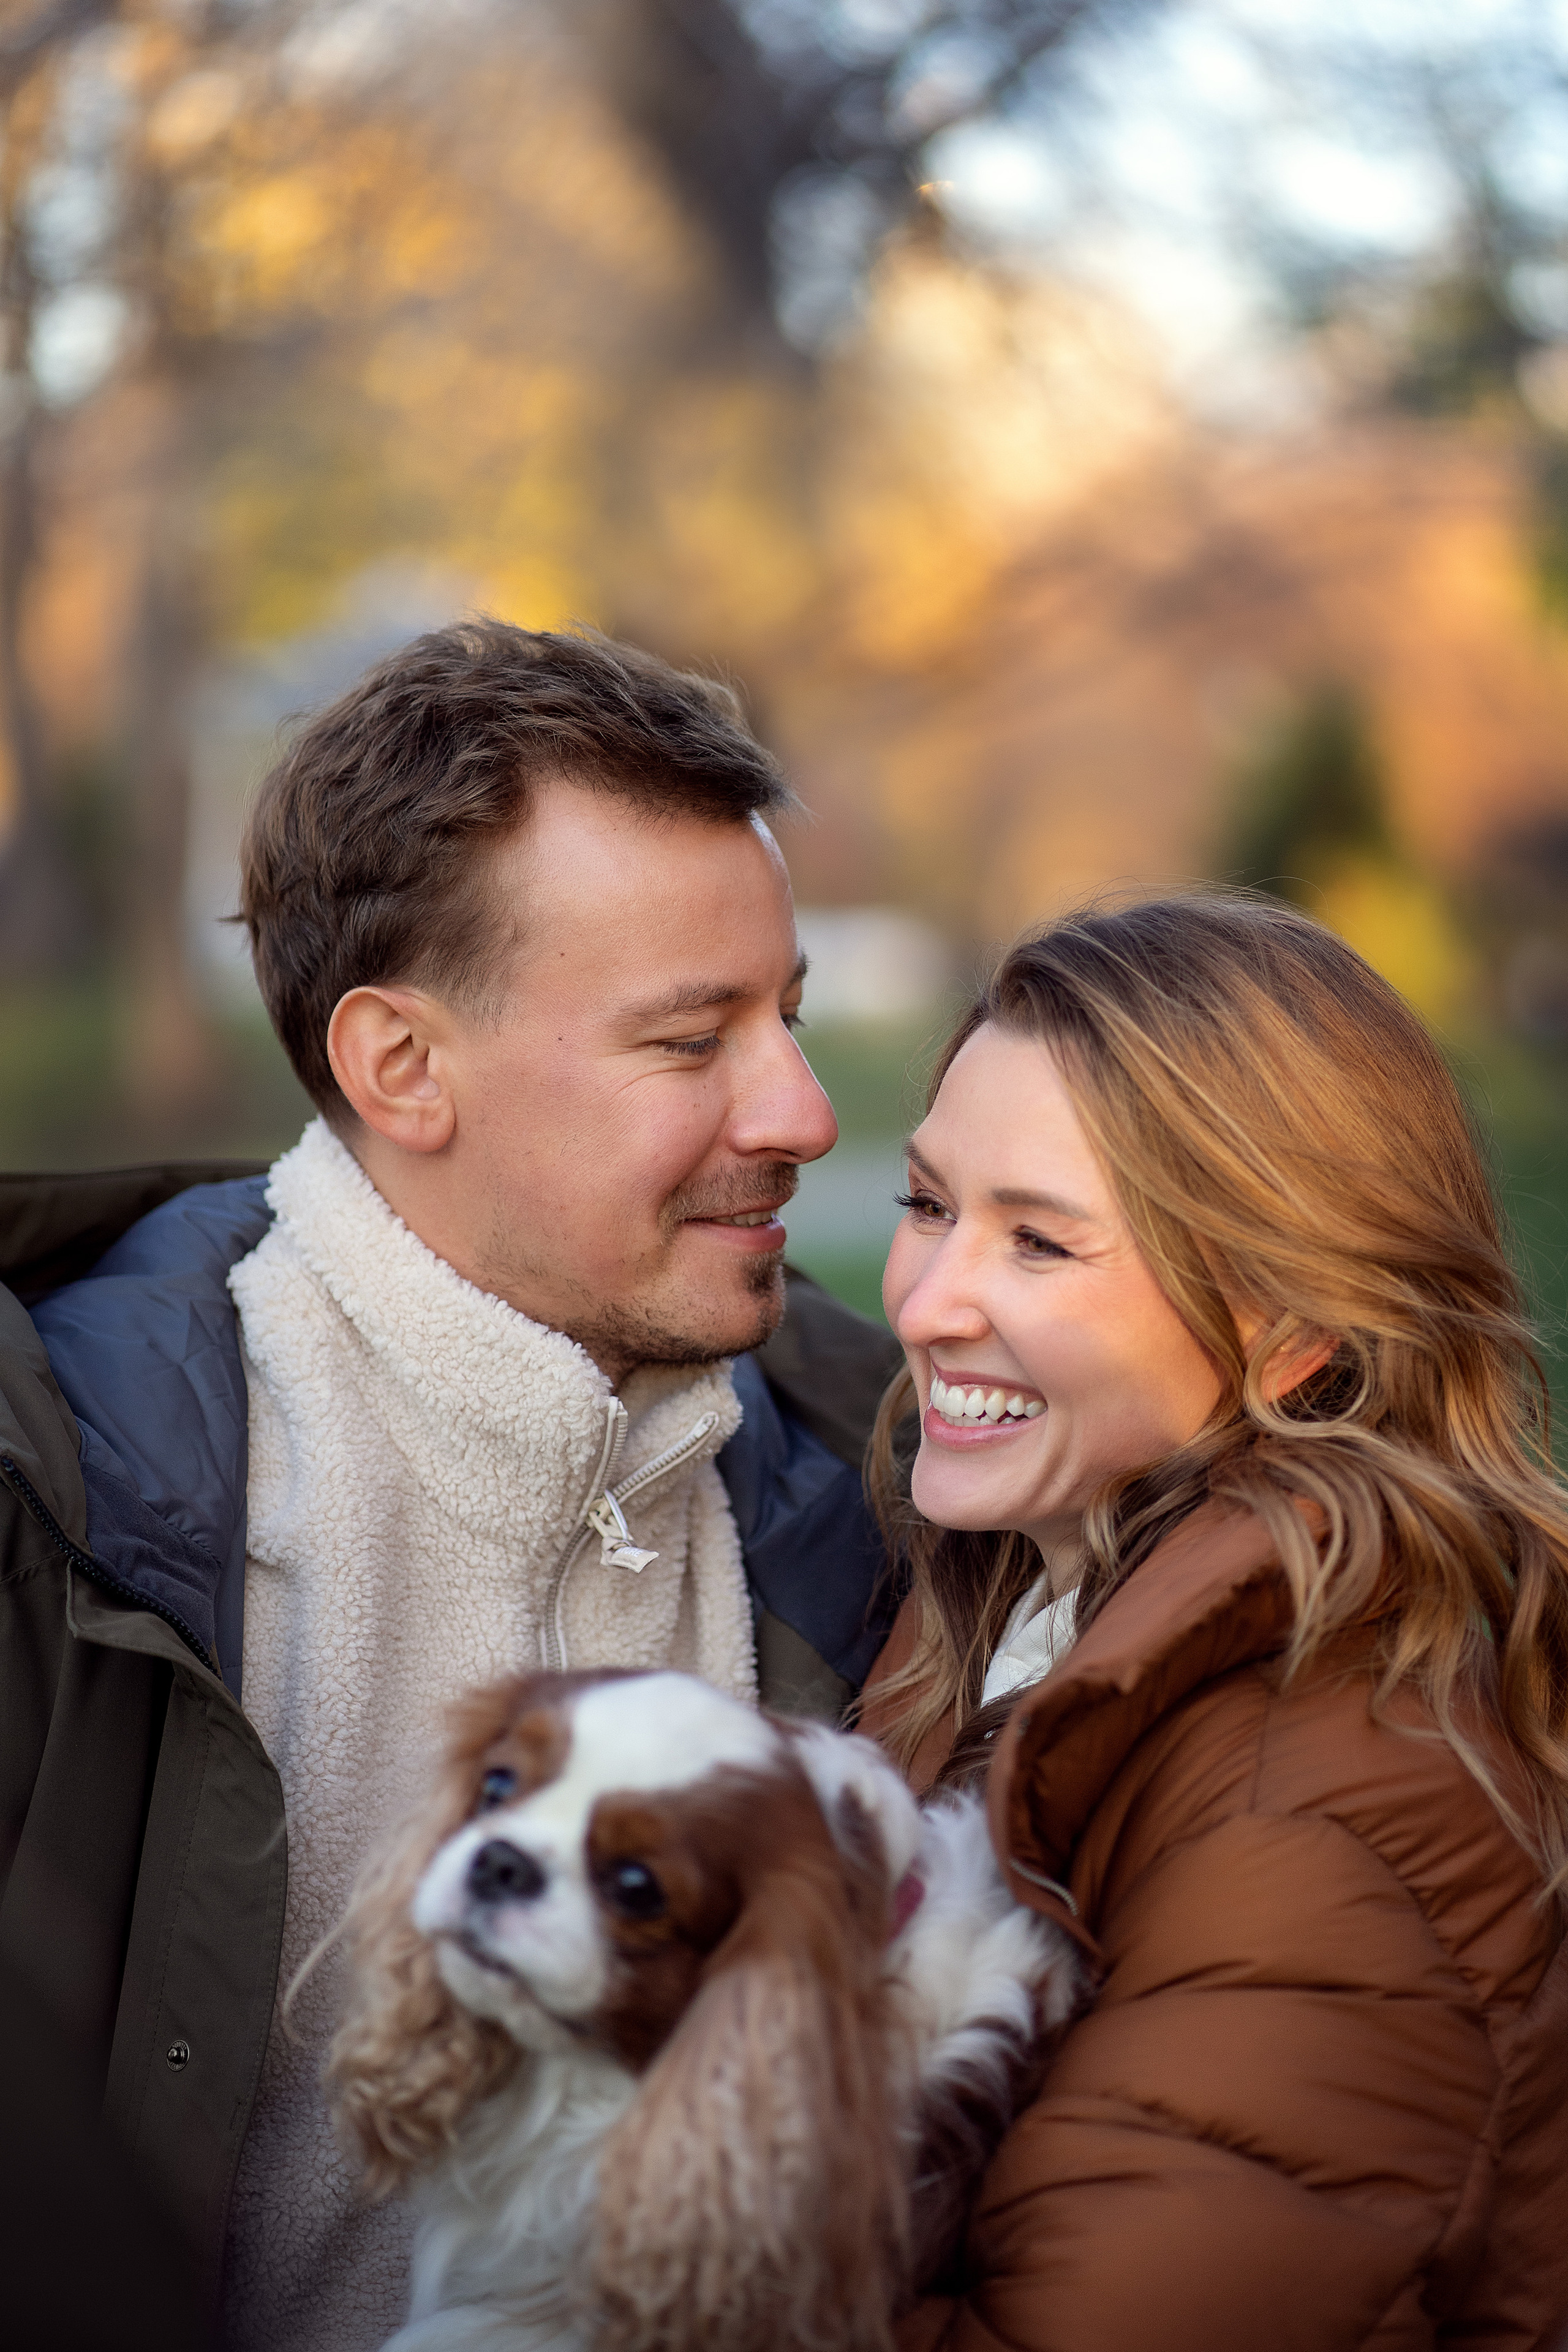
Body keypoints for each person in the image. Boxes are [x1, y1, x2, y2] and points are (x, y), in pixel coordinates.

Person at [0, 620, 900, 2351]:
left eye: (785, 1018)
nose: (798, 1108)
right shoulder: (45, 1511)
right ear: (400, 1068)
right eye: (690, 1038)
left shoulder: (902, 1500)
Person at [861, 894, 1568, 2351]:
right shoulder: (1014, 1604)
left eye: (1038, 1244)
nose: (928, 1304)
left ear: (1288, 1327)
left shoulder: (1327, 1784)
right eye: (927, 1205)